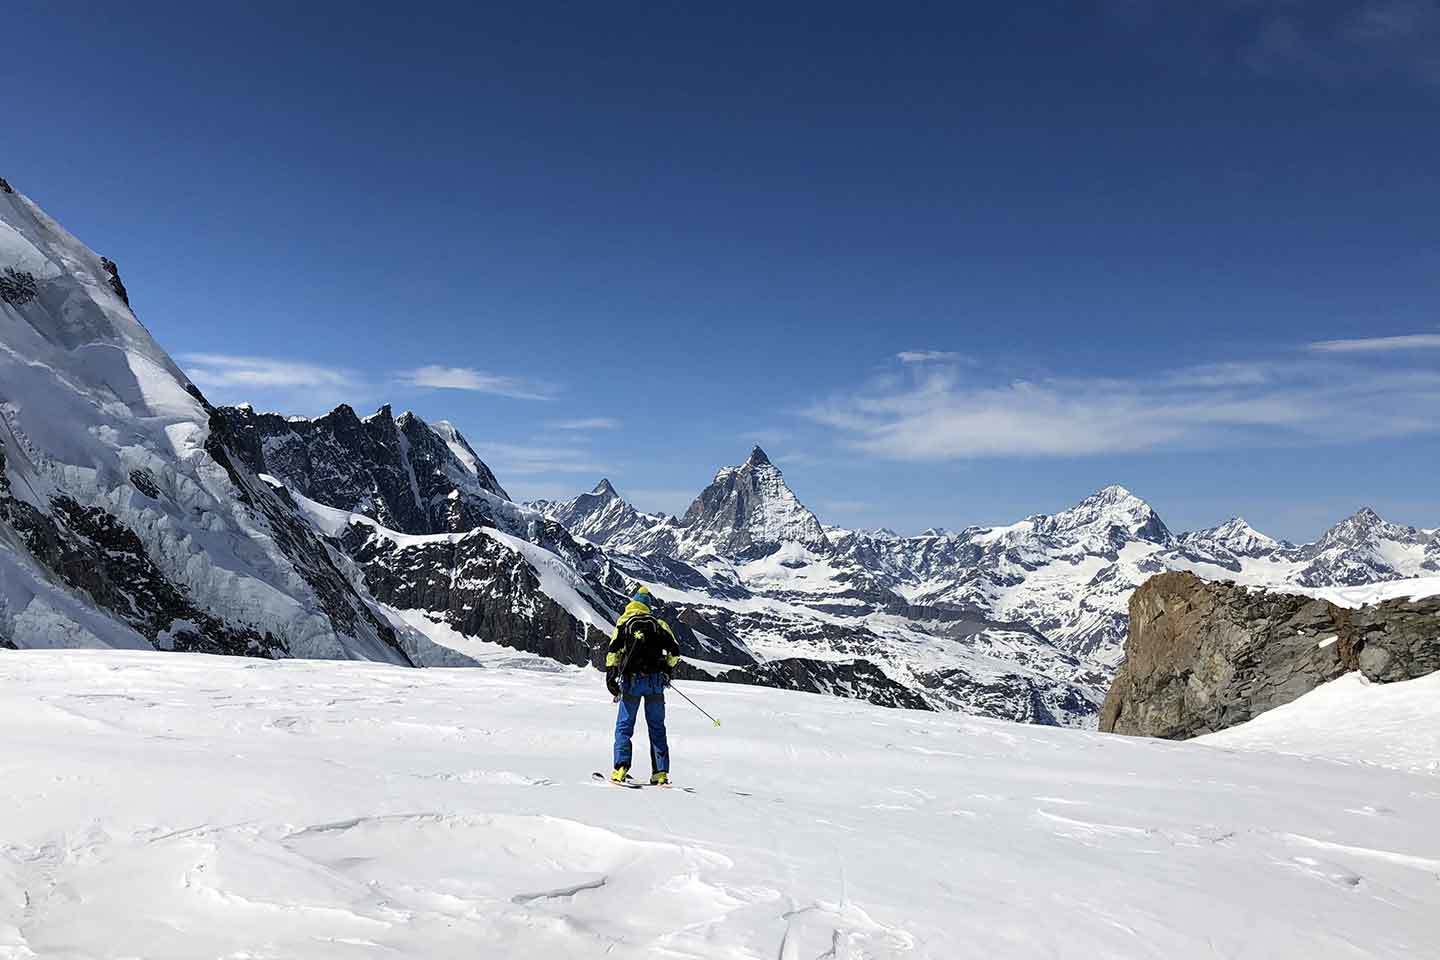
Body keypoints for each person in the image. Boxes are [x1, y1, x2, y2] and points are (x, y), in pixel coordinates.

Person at [605, 585, 681, 785]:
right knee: (657, 728)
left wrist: (611, 677)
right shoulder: (658, 624)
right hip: (655, 682)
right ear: (648, 606)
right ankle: (661, 773)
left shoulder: (625, 622)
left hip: (631, 682)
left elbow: (613, 651)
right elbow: (675, 651)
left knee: (624, 727)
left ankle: (621, 768)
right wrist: (667, 669)